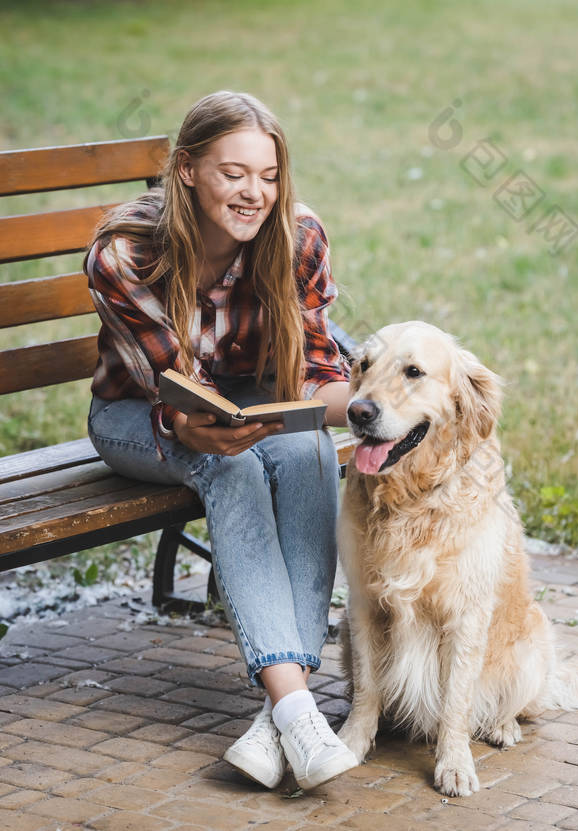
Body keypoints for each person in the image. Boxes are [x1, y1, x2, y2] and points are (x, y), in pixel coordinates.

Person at [84, 90, 358, 791]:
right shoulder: (126, 251)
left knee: (305, 449)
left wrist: (378, 407)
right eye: (234, 172)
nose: (254, 193)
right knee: (227, 469)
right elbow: (171, 394)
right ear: (186, 169)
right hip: (135, 416)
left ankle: (279, 718)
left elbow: (321, 375)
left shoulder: (297, 237)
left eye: (267, 176)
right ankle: (299, 706)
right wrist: (199, 427)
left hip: (242, 402)